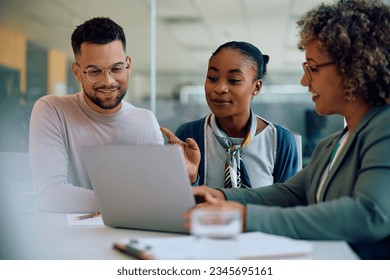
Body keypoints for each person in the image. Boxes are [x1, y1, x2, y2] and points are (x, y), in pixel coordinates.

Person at [189, 0, 390, 260]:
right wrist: (218, 195)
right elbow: (291, 193)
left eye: (313, 68)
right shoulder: (330, 145)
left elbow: (370, 213)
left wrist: (244, 217)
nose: (304, 80)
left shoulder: (384, 127)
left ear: (355, 67)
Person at [29, 17, 164, 213]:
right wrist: (133, 202)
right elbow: (50, 195)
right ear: (77, 72)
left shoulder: (146, 121)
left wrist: (186, 177)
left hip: (132, 236)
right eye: (94, 71)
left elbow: (159, 195)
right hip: (71, 240)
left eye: (116, 68)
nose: (108, 81)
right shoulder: (52, 110)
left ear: (128, 65)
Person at [161, 41, 299, 189]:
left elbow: (287, 204)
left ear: (256, 87)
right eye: (212, 78)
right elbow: (177, 205)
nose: (220, 88)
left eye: (234, 81)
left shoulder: (281, 141)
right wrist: (191, 179)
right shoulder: (190, 135)